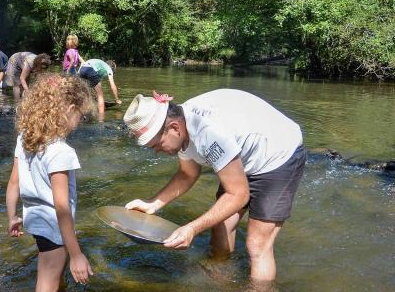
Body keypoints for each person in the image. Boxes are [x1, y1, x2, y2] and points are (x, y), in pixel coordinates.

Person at [122, 89, 306, 283]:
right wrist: (152, 204)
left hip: (278, 153)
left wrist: (191, 229)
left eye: (156, 145)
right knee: (220, 225)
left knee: (257, 245)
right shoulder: (182, 126)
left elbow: (238, 195)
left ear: (174, 128)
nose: (157, 152)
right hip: (244, 153)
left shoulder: (207, 133)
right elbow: (187, 173)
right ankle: (221, 277)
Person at [6, 74, 94, 290]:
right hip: (55, 228)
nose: (78, 124)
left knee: (53, 274)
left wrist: (12, 217)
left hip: (35, 221)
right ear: (69, 109)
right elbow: (62, 207)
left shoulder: (25, 137)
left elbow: (13, 183)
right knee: (47, 284)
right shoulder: (61, 152)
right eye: (80, 117)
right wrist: (76, 254)